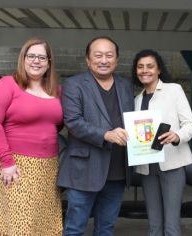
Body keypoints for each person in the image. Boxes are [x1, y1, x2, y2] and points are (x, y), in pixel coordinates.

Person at [0, 37, 63, 235]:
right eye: (31, 56)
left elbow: (57, 123)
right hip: (16, 163)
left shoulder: (55, 90)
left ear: (49, 62)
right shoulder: (7, 84)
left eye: (42, 57)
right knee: (21, 224)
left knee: (46, 222)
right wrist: (6, 161)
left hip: (49, 164)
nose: (36, 61)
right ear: (23, 59)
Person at [57, 36, 134, 236]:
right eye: (98, 55)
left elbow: (133, 120)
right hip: (84, 169)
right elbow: (73, 122)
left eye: (109, 55)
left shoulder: (125, 86)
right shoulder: (74, 84)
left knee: (106, 228)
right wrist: (106, 134)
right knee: (75, 228)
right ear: (88, 60)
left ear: (117, 60)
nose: (104, 60)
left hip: (117, 169)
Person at [132, 49, 192, 236]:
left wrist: (177, 136)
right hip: (146, 167)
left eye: (150, 66)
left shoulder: (173, 90)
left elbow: (190, 124)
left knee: (171, 224)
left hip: (172, 165)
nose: (145, 70)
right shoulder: (137, 100)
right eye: (140, 67)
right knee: (153, 223)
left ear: (159, 69)